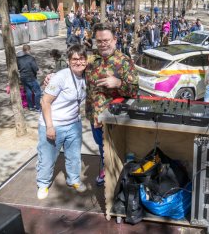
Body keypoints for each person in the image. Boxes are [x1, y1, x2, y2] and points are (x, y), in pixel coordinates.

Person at [86, 22, 139, 185]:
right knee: (102, 148)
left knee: (114, 151)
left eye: (106, 40)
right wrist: (52, 76)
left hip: (112, 119)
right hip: (94, 116)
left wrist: (118, 83)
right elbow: (73, 69)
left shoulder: (124, 62)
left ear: (115, 40)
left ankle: (114, 180)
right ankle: (105, 170)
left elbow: (135, 91)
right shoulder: (91, 59)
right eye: (99, 41)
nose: (103, 44)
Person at [36, 45, 88, 200]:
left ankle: (74, 180)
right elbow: (45, 102)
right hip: (54, 124)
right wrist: (50, 126)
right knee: (47, 157)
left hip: (74, 124)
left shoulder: (87, 75)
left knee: (74, 156)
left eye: (82, 58)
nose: (78, 62)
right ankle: (43, 184)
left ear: (86, 60)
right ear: (68, 61)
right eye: (74, 59)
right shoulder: (60, 76)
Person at [16, 45, 41, 112]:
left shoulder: (18, 58)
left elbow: (18, 67)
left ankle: (30, 106)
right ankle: (38, 107)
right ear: (29, 50)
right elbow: (35, 68)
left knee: (28, 91)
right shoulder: (30, 58)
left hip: (23, 77)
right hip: (31, 77)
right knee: (38, 92)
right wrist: (38, 70)